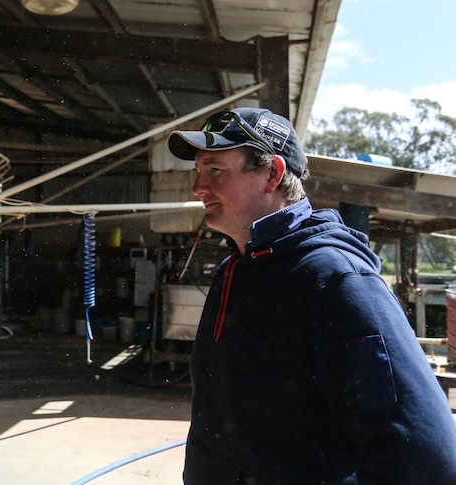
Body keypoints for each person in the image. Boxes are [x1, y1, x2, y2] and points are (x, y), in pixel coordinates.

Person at [167, 107, 456, 484]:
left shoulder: (335, 280)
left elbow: (426, 460)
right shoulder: (235, 269)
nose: (198, 186)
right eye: (199, 171)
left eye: (216, 170)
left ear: (272, 173)